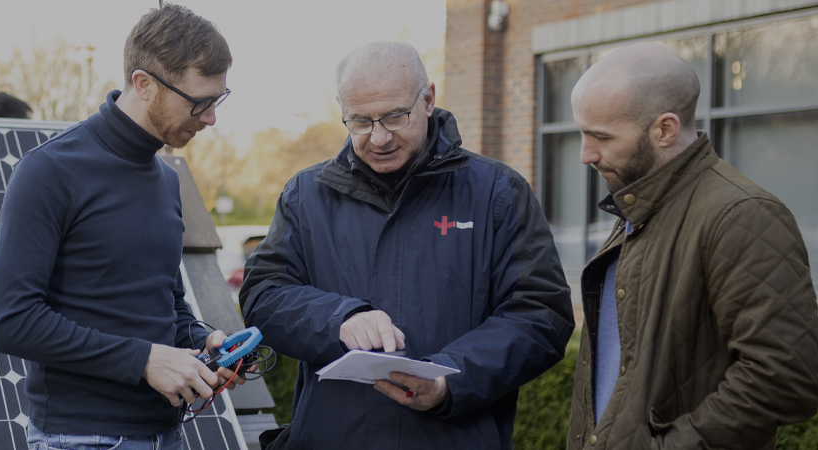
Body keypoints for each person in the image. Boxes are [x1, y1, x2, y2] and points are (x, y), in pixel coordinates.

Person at [240, 41, 574, 449]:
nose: (379, 137)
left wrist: (451, 376)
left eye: (395, 116)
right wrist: (338, 320)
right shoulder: (305, 195)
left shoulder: (498, 193)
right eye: (360, 121)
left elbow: (541, 315)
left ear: (429, 99)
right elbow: (263, 295)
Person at [0, 4, 237, 449]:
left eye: (218, 100)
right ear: (143, 84)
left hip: (166, 434)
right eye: (199, 102)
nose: (211, 118)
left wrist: (203, 341)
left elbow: (165, 301)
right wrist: (142, 360)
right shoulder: (50, 170)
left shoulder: (165, 180)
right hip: (80, 438)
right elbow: (11, 321)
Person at [564, 42, 818, 450]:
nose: (585, 154)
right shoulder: (640, 206)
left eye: (601, 136)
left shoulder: (742, 214)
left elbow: (787, 379)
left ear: (665, 130)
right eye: (582, 133)